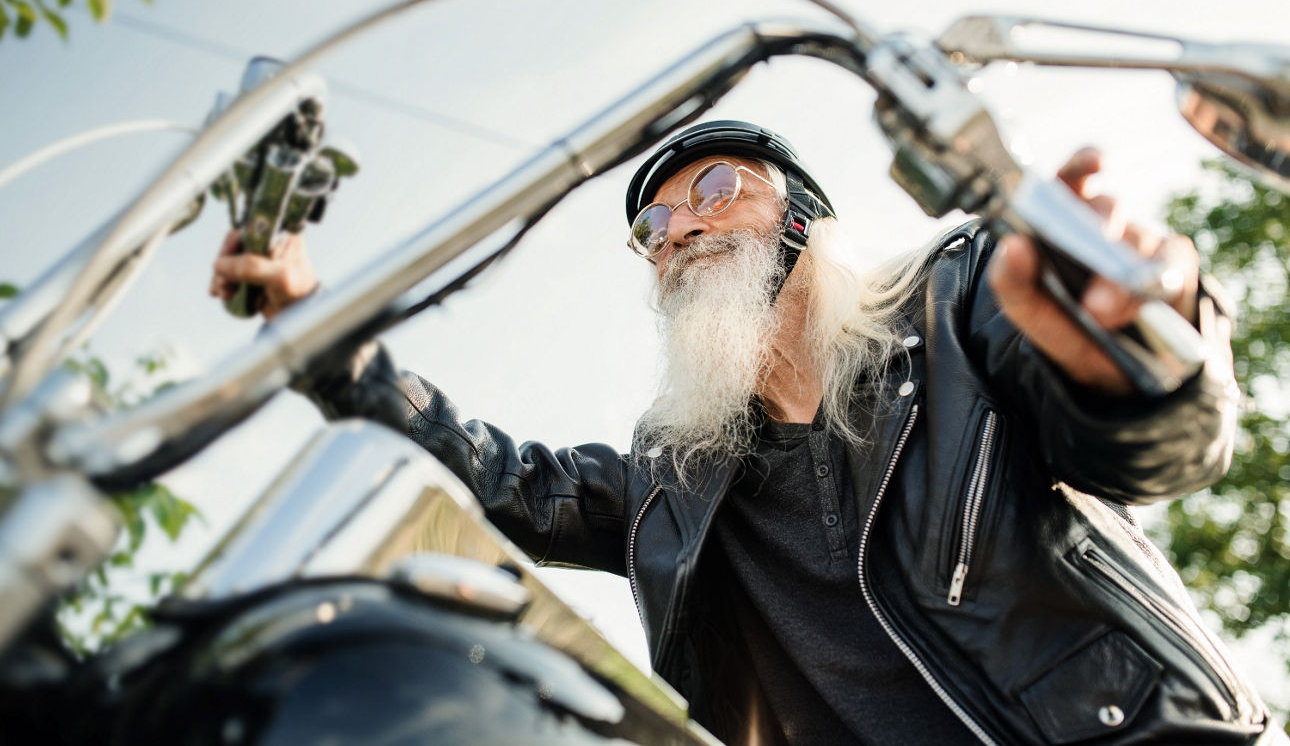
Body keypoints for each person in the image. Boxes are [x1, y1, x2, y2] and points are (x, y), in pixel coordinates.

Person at [211, 120, 1280, 744]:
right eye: (655, 226)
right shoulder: (675, 476)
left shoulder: (957, 305)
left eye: (716, 190)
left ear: (804, 218)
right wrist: (317, 329)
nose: (681, 230)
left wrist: (1141, 342)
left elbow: (1157, 444)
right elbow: (498, 477)